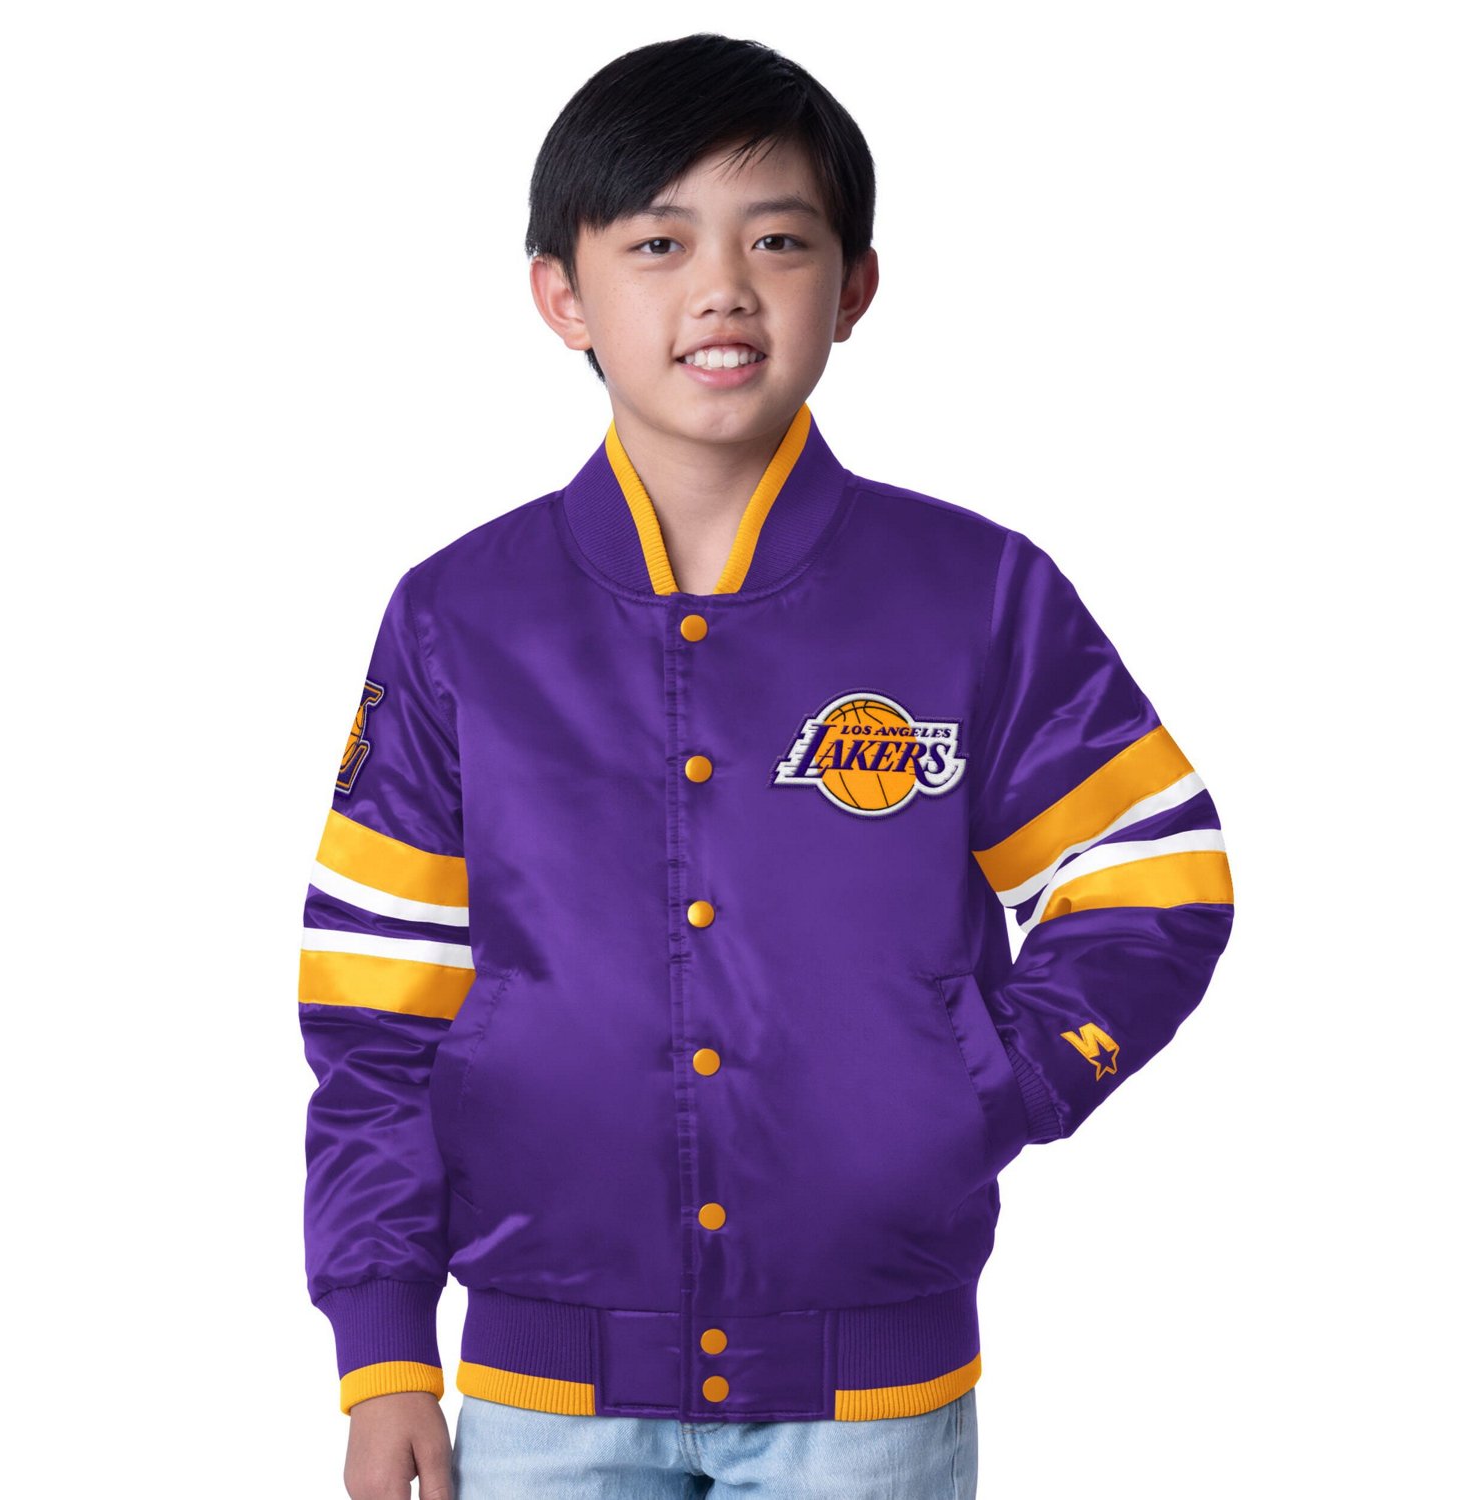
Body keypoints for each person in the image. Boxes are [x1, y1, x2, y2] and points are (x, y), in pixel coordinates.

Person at [297, 32, 1235, 1500]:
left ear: (854, 286)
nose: (723, 288)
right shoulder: (458, 619)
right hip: (544, 1391)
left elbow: (1153, 877)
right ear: (562, 294)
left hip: (870, 1400)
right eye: (658, 242)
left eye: (780, 240)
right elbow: (374, 1005)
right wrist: (384, 1351)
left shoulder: (972, 593)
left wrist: (978, 1086)